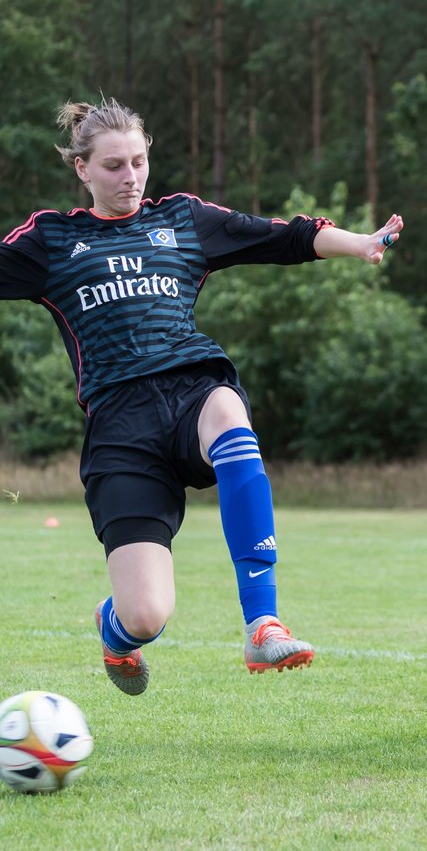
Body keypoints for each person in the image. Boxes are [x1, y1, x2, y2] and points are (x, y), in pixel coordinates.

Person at [0, 98, 404, 696]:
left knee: (227, 410)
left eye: (139, 160)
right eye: (113, 165)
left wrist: (360, 243)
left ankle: (262, 623)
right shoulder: (53, 238)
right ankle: (115, 630)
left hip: (192, 387)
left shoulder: (183, 219)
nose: (131, 176)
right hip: (119, 425)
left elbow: (281, 238)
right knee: (146, 616)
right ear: (82, 169)